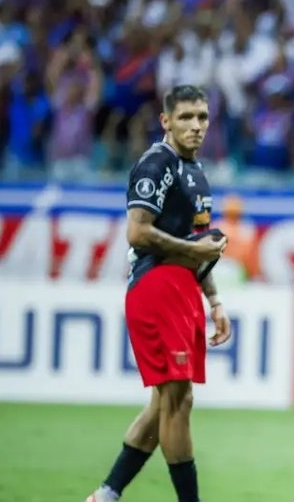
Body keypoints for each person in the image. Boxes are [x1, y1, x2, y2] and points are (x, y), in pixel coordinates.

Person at [87, 85, 232, 502]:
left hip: (184, 289)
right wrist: (195, 250)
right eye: (186, 117)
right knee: (177, 400)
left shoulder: (197, 173)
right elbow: (138, 232)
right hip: (156, 285)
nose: (196, 126)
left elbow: (200, 245)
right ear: (166, 121)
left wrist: (215, 300)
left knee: (166, 402)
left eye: (202, 117)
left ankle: (107, 493)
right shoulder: (157, 163)